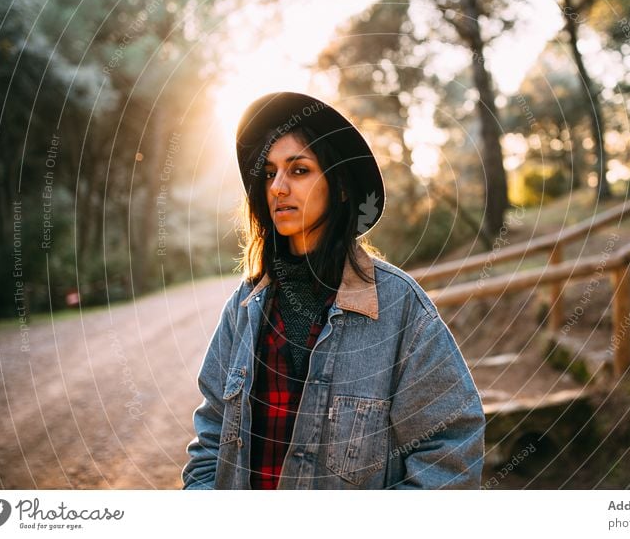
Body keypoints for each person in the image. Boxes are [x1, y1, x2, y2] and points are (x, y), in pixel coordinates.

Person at [181, 92, 485, 490]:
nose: (278, 187)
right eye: (270, 173)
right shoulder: (246, 305)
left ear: (340, 186)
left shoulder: (398, 306)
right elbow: (211, 438)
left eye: (299, 170)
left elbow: (452, 448)